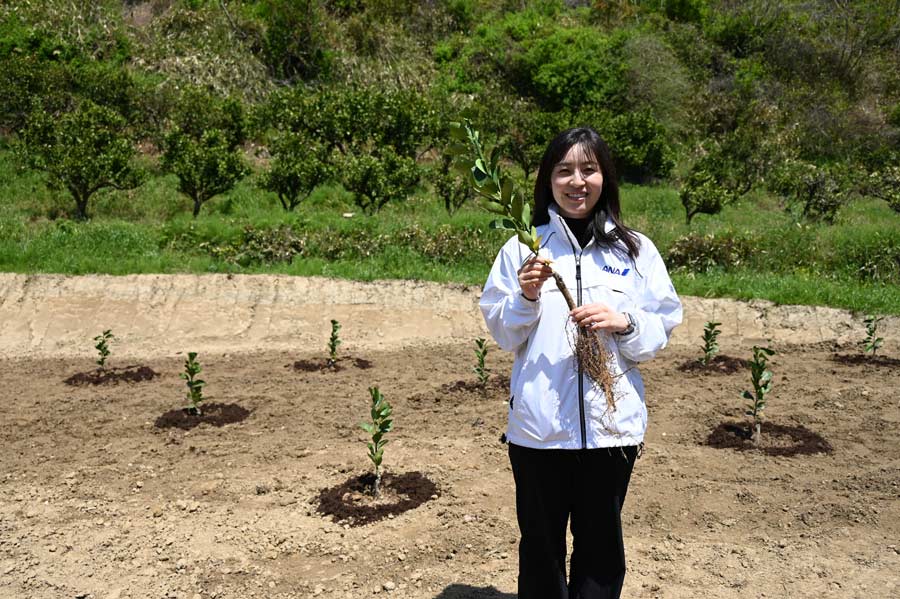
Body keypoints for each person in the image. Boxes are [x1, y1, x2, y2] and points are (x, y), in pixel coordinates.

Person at [479, 126, 682, 599]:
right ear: (548, 181)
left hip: (612, 431)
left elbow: (661, 327)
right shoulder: (523, 249)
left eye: (588, 170)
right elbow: (503, 330)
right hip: (539, 431)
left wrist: (625, 321)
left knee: (601, 552)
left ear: (604, 178)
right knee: (541, 552)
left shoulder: (634, 250)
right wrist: (527, 295)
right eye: (564, 170)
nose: (577, 182)